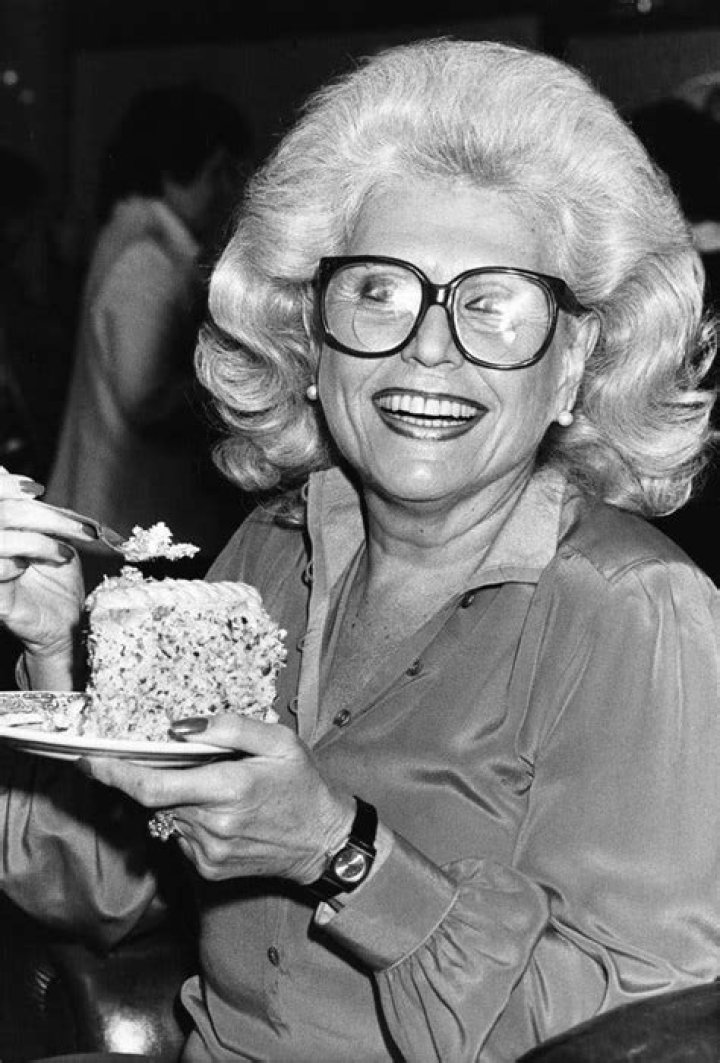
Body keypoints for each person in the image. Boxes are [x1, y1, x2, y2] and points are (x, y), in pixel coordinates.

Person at [1, 36, 720, 1063]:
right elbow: (96, 885)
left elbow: (653, 1037)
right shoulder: (273, 550)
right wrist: (50, 649)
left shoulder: (637, 612)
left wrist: (341, 851)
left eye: (492, 304)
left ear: (571, 368)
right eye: (377, 291)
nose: (427, 347)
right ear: (310, 341)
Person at [44, 84, 254, 589]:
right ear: (176, 168)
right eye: (217, 171)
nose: (226, 189)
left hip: (121, 516)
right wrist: (227, 382)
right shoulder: (147, 262)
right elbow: (141, 397)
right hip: (125, 524)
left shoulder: (139, 246)